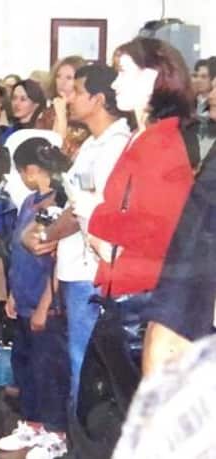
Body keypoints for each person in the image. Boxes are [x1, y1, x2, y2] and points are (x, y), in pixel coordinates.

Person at [71, 37, 195, 376]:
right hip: (125, 292)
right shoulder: (143, 137)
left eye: (123, 71)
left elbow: (157, 229)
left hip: (141, 301)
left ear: (153, 78)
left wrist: (93, 214)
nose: (114, 82)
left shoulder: (161, 143)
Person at [22, 64, 130, 406]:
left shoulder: (115, 146)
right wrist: (39, 226)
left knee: (85, 366)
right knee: (76, 361)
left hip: (92, 272)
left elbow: (87, 209)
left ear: (98, 99)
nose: (69, 97)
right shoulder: (91, 145)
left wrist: (47, 234)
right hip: (74, 269)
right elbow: (67, 197)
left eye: (78, 91)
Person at [0, 137, 71, 459]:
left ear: (30, 170)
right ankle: (32, 423)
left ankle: (55, 432)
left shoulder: (58, 205)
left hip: (45, 303)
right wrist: (13, 294)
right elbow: (17, 249)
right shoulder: (29, 201)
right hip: (23, 298)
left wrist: (44, 305)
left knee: (47, 368)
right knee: (24, 365)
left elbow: (53, 259)